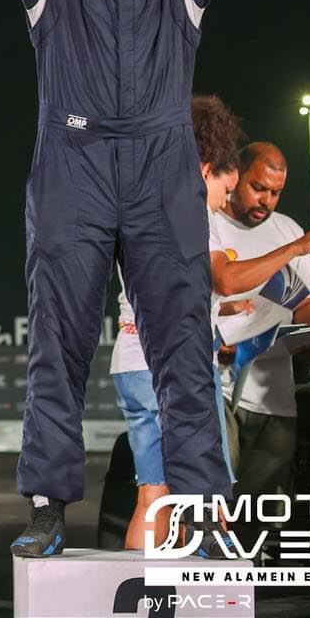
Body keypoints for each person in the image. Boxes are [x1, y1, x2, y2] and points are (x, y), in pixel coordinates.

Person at [0, 0, 264, 558]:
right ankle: (47, 508)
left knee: (184, 352)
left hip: (162, 170)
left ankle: (204, 517)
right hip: (72, 168)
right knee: (58, 346)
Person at [109, 93, 243, 550]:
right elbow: (223, 279)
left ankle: (140, 589)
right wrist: (296, 248)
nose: (225, 203)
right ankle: (213, 586)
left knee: (153, 496)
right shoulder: (195, 212)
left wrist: (218, 314)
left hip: (132, 359)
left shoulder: (136, 202)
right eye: (227, 189)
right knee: (208, 499)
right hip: (177, 367)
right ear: (205, 169)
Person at [212, 142, 310, 499]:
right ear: (235, 176)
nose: (266, 200)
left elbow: (309, 303)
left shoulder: (288, 230)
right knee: (215, 502)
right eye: (258, 188)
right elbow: (218, 286)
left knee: (264, 512)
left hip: (273, 397)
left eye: (276, 193)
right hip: (218, 389)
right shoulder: (210, 223)